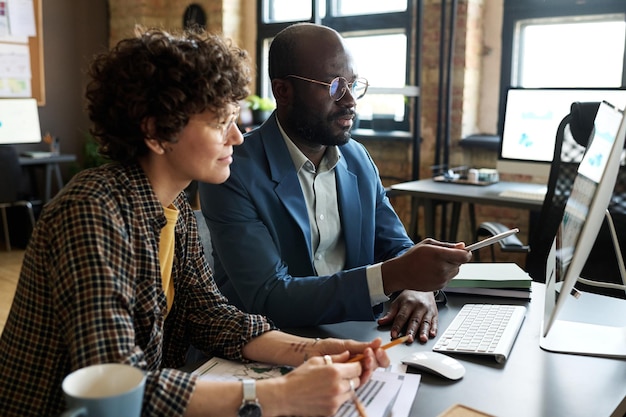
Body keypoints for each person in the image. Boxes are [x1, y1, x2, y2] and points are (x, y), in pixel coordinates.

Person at [0, 27, 390, 417]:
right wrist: (282, 395)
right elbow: (117, 385)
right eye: (221, 121)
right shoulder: (92, 210)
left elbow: (210, 317)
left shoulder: (175, 209)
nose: (237, 137)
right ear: (156, 131)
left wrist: (314, 350)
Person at [199, 23, 472, 344]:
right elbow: (269, 297)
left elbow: (395, 245)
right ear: (283, 91)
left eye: (353, 84)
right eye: (333, 85)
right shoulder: (232, 170)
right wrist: (395, 275)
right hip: (270, 343)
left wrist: (417, 285)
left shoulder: (357, 158)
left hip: (360, 334)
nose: (350, 100)